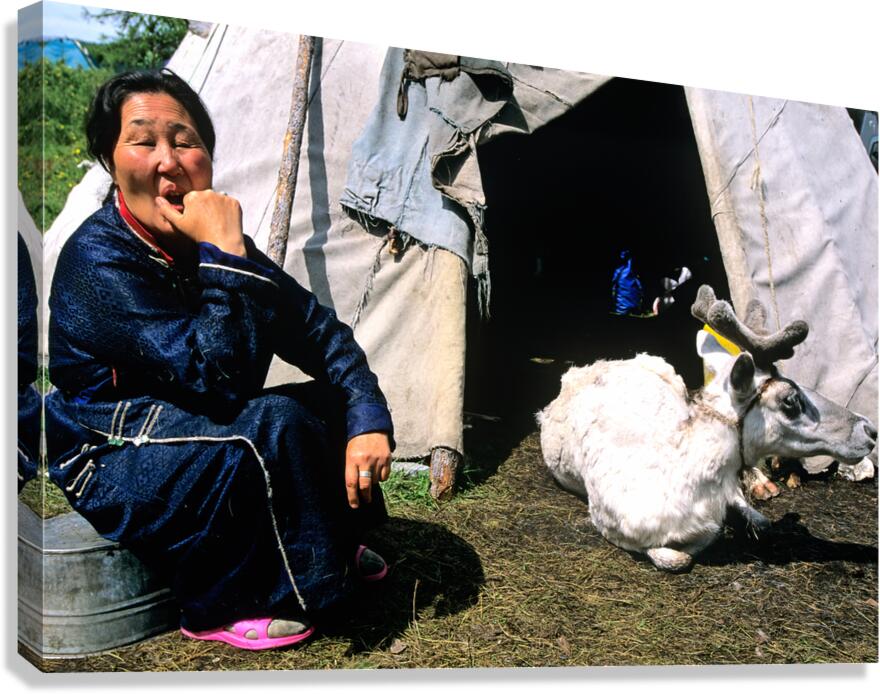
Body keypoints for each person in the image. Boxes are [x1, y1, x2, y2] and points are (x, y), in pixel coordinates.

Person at [45, 69, 395, 651]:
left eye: (184, 141)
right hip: (110, 447)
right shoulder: (97, 262)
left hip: (191, 420)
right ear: (109, 160)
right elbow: (215, 379)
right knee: (269, 424)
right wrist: (225, 256)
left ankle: (324, 545)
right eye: (143, 140)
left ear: (208, 156)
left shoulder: (215, 247)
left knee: (329, 399)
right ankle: (221, 605)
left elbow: (319, 333)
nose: (168, 161)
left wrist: (366, 417)